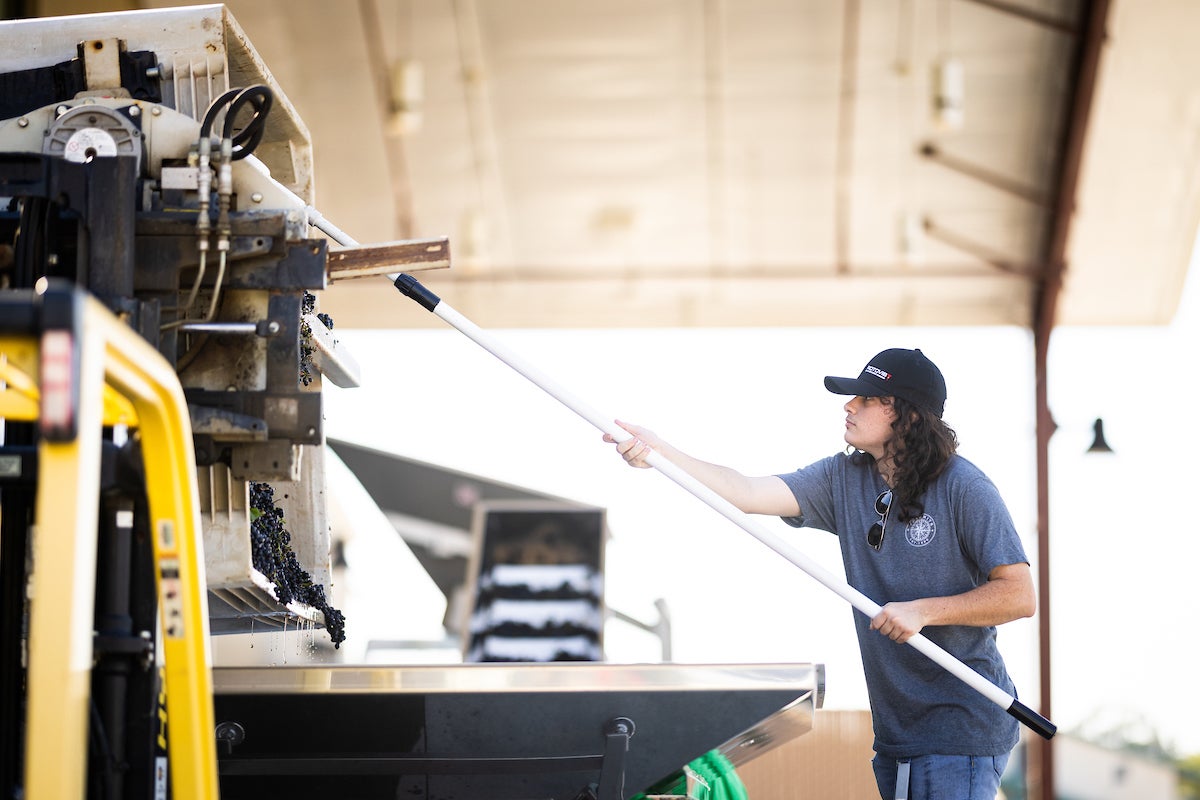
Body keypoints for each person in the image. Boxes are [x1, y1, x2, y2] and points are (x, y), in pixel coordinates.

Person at [603, 347, 1035, 800]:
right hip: (896, 731)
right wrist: (659, 453)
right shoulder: (842, 478)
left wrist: (923, 611)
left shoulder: (964, 487)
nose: (849, 405)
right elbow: (745, 491)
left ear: (906, 416)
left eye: (867, 399)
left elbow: (1019, 595)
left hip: (962, 725)